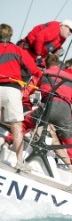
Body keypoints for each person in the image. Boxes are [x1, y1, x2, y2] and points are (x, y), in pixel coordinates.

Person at [22, 54, 72, 175]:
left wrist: (20, 98)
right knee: (71, 143)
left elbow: (27, 91)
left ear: (46, 64)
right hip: (65, 111)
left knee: (23, 124)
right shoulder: (69, 76)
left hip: (47, 107)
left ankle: (8, 143)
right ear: (58, 65)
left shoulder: (43, 73)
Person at [0, 23, 42, 171]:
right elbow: (36, 71)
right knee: (16, 126)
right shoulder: (18, 50)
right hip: (12, 90)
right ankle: (19, 162)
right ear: (10, 36)